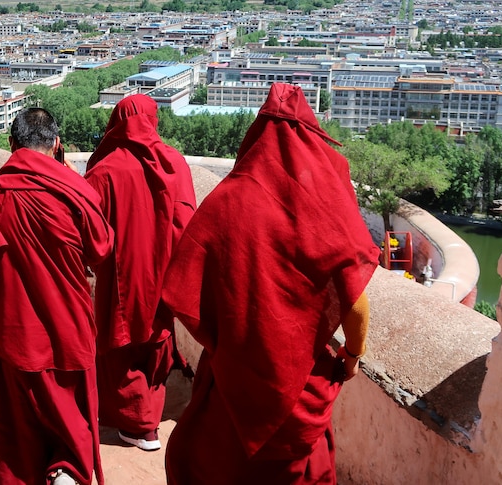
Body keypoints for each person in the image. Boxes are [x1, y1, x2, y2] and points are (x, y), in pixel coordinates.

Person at [161, 83, 380, 484]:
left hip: (235, 374)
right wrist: (351, 354)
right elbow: (355, 302)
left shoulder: (228, 198)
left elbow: (186, 288)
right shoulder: (324, 203)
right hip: (301, 380)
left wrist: (225, 340)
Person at [0, 108, 114, 485]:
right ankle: (67, 471)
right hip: (70, 330)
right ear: (56, 144)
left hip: (12, 339)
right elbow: (102, 250)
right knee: (72, 428)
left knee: (18, 442)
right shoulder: (77, 192)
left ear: (11, 145)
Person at [83, 94, 196, 452]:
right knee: (156, 343)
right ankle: (148, 420)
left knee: (120, 348)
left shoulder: (103, 170)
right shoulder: (174, 163)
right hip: (163, 276)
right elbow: (187, 222)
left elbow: (88, 233)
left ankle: (137, 424)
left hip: (120, 279)